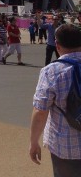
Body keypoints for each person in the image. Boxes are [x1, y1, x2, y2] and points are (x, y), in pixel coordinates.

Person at [30, 24, 81, 175]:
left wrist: (33, 143)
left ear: (57, 45)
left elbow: (40, 111)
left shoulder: (52, 71)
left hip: (65, 146)